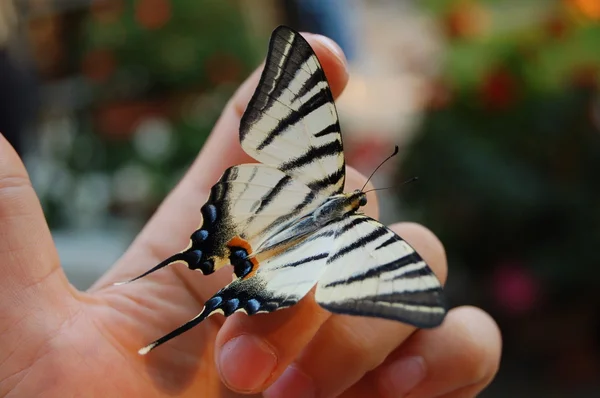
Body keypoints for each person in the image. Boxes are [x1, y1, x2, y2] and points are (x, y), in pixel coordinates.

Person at [0, 33, 501, 397]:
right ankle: (208, 291)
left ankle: (216, 280)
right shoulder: (359, 229)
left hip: (261, 217)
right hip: (272, 248)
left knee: (233, 276)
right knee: (221, 289)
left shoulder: (326, 179)